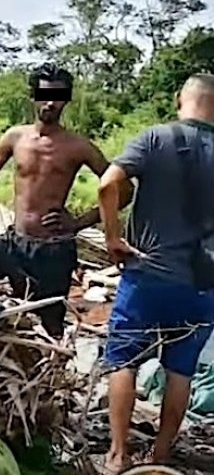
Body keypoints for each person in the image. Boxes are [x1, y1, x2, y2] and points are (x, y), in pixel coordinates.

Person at [0, 63, 133, 338]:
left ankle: (50, 372)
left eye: (58, 97)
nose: (50, 103)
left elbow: (125, 190)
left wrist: (78, 223)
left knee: (50, 325)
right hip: (14, 244)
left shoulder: (78, 146)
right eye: (44, 95)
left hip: (53, 252)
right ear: (33, 97)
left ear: (66, 100)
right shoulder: (15, 137)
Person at [98, 73, 214, 472]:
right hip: (202, 284)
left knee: (123, 360)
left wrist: (113, 237)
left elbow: (107, 185)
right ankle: (161, 454)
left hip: (146, 277)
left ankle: (117, 455)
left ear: (180, 98)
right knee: (181, 370)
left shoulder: (154, 138)